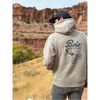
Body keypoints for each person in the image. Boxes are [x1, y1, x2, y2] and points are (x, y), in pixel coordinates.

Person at [43, 10, 87, 100]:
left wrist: (51, 68)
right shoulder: (83, 36)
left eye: (55, 21)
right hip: (78, 82)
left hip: (60, 82)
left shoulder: (53, 38)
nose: (54, 24)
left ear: (61, 19)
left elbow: (48, 62)